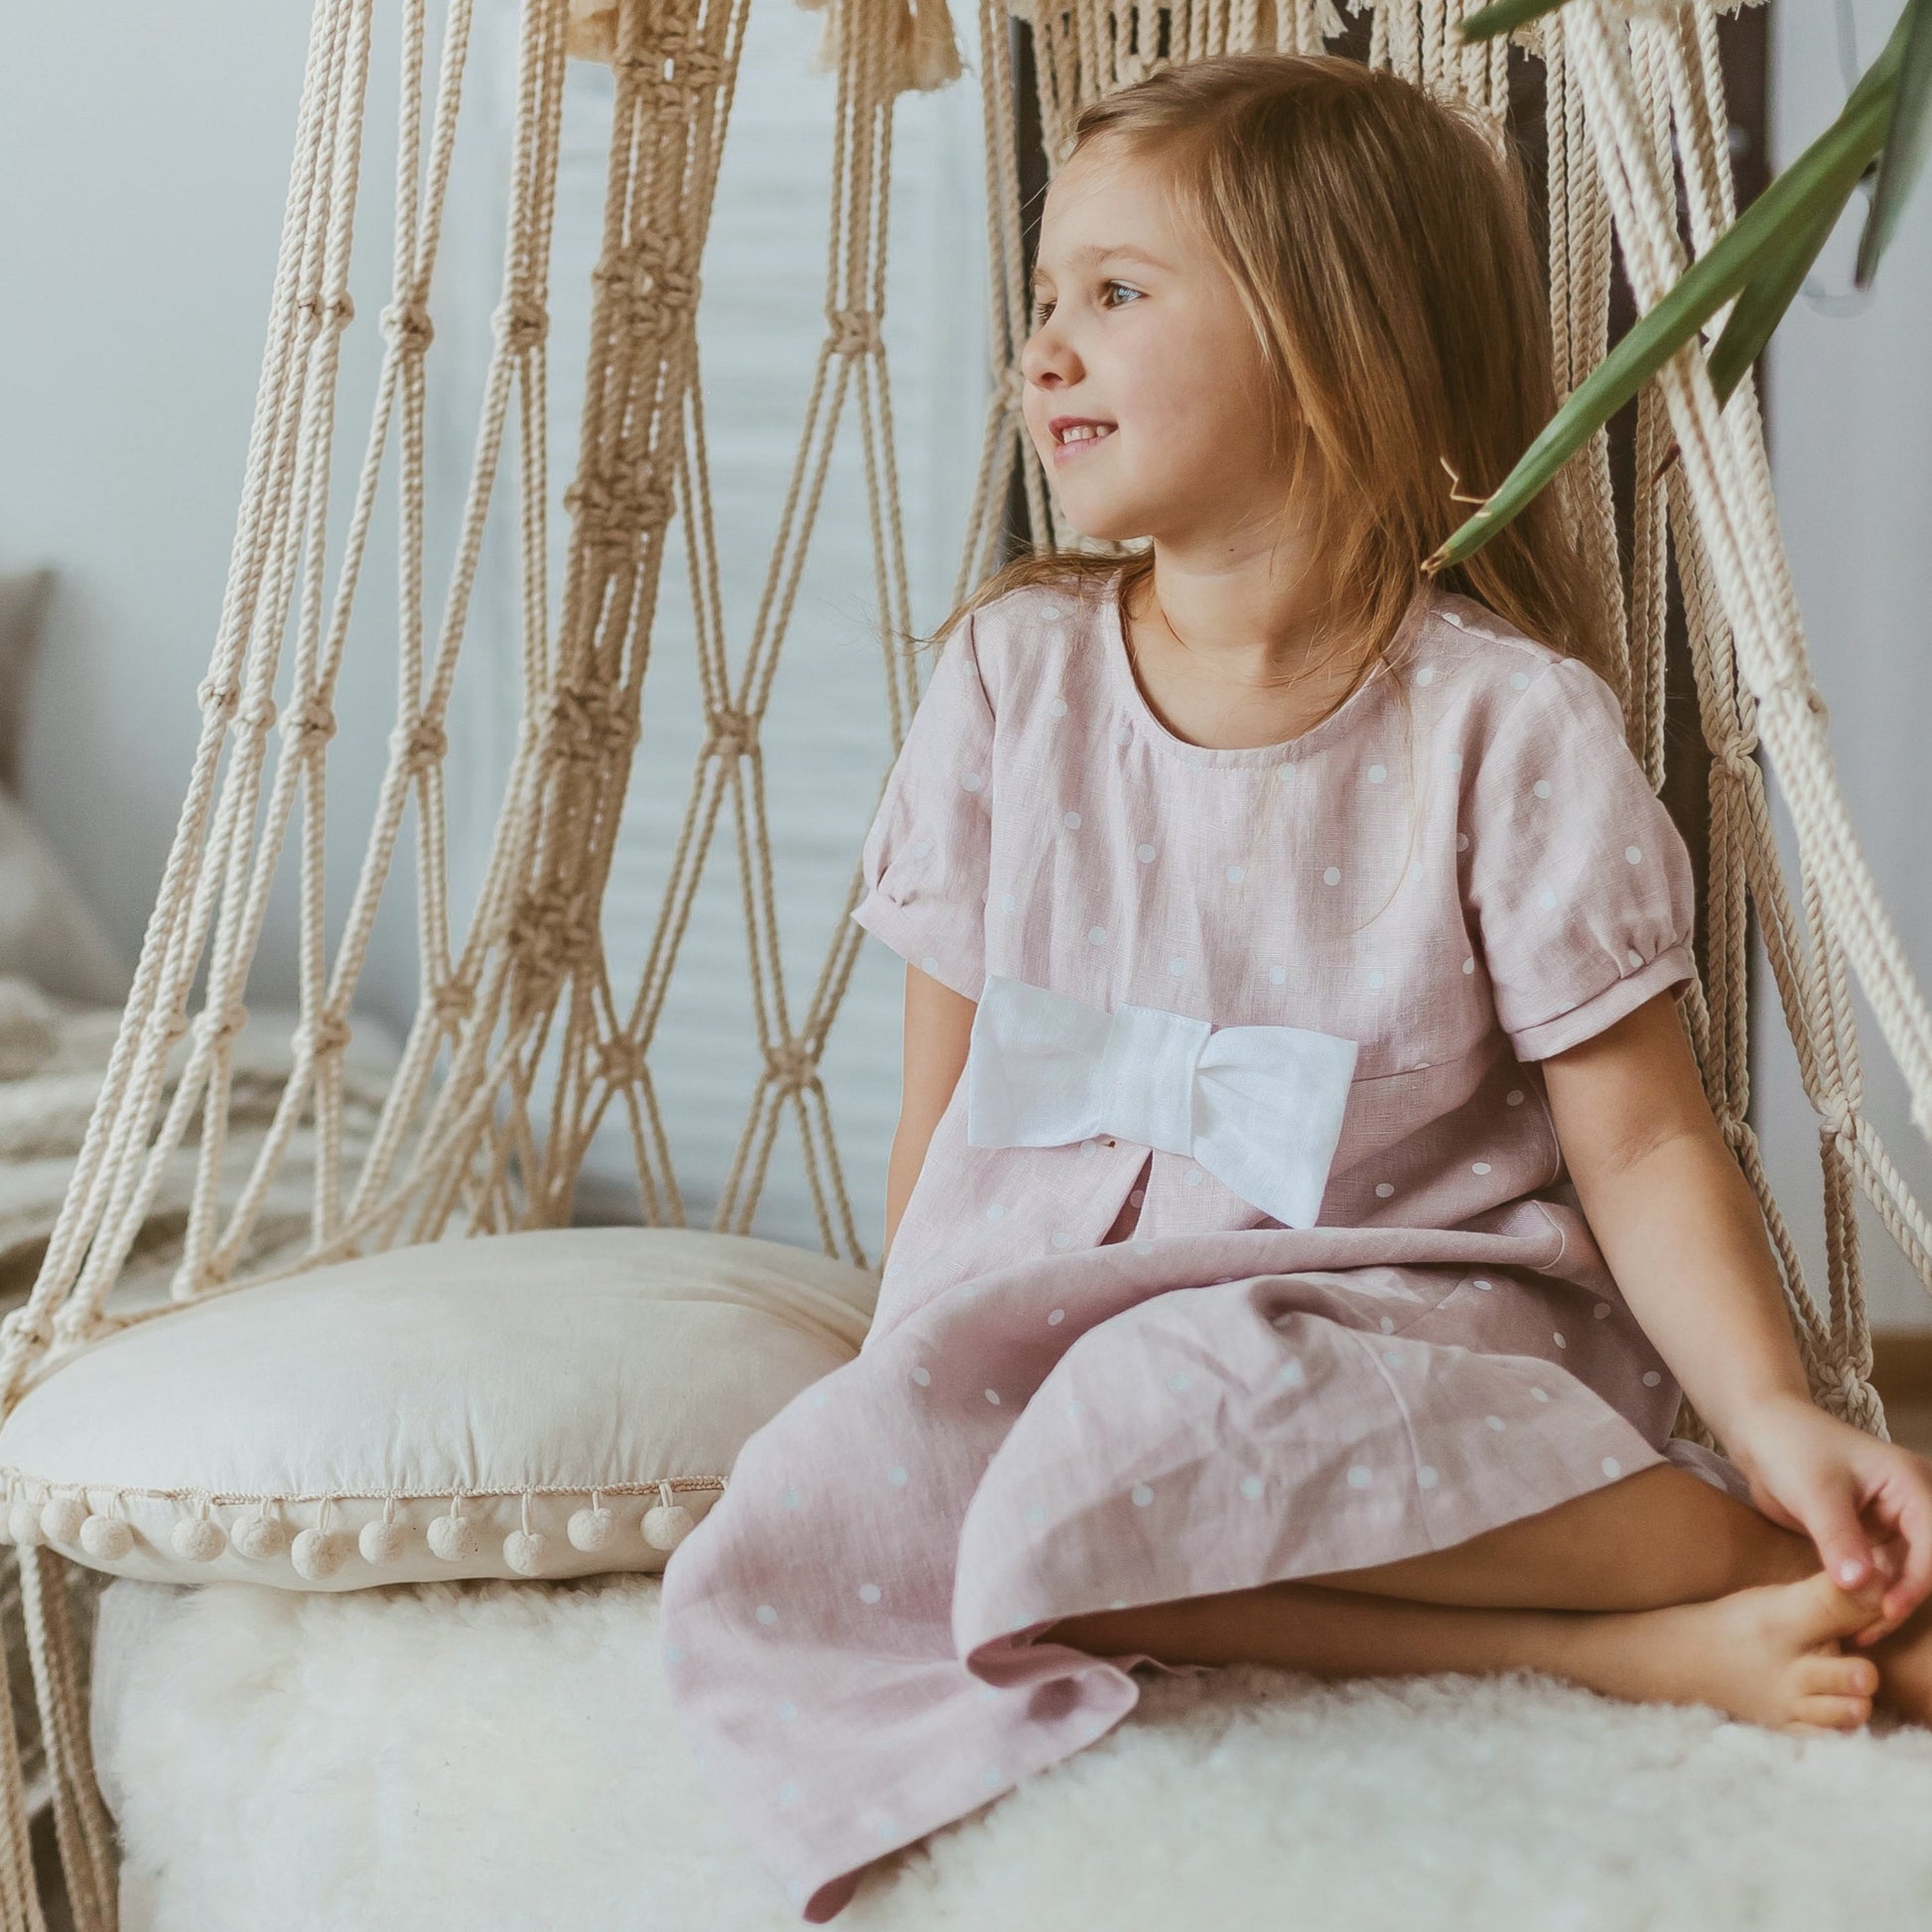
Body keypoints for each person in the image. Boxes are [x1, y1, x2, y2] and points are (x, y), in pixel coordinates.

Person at [657, 51, 1932, 1922]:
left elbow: (1646, 1140)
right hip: (1052, 1309)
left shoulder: (1504, 724)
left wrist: (1768, 1415)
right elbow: (947, 1078)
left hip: (1390, 1305)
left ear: (1329, 337)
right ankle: (1629, 1656)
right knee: (916, 1517)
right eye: (1039, 304)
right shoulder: (1014, 675)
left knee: (1185, 1412)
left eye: (1114, 294)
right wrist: (903, 1355)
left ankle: (1733, 1559)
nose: (1046, 353)